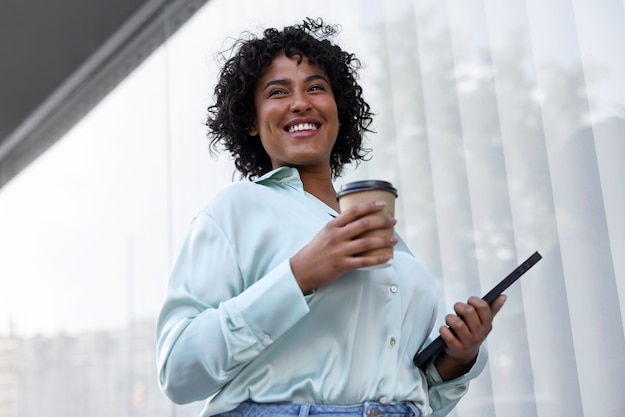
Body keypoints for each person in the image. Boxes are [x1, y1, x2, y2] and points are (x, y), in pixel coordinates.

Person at [156, 18, 506, 417]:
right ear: (251, 121)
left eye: (316, 88)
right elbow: (178, 372)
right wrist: (299, 275)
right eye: (277, 91)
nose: (301, 102)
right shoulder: (235, 210)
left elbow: (410, 396)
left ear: (338, 112)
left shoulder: (389, 243)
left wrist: (458, 358)